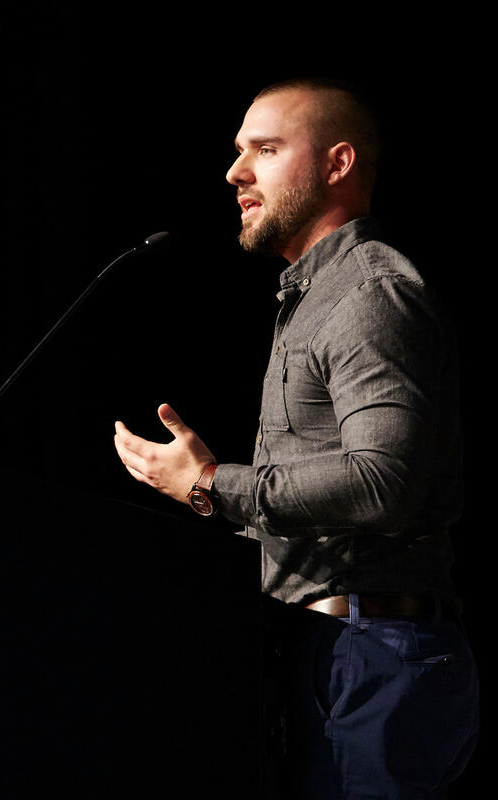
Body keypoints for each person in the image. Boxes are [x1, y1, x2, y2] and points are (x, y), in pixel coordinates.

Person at [112, 78, 479, 798]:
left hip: (373, 657)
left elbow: (384, 482)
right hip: (319, 654)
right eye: (238, 152)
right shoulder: (310, 300)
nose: (235, 172)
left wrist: (212, 484)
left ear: (338, 164)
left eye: (265, 149)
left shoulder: (369, 292)